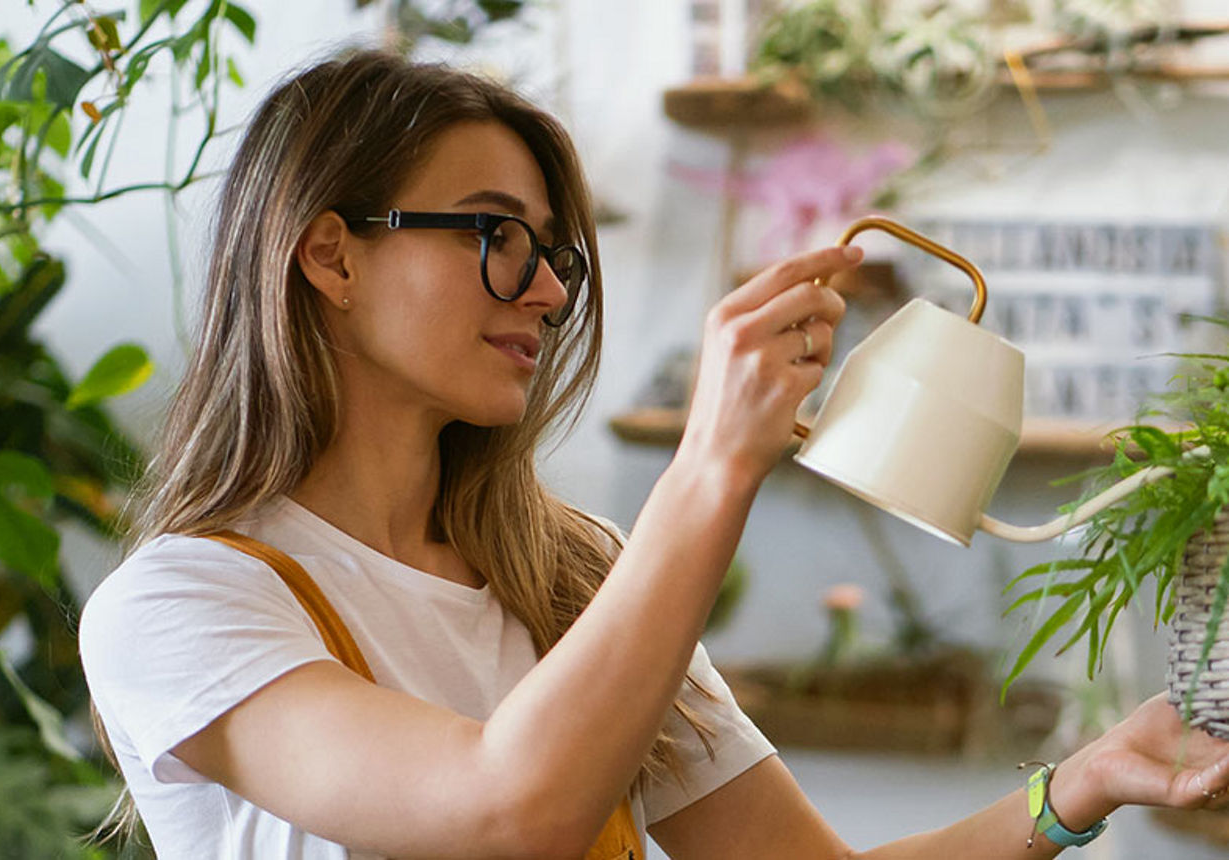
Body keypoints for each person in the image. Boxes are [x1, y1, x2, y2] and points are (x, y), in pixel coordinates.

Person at [79, 48, 1229, 860]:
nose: (543, 288)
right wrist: (713, 466)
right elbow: (507, 807)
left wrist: (1079, 786)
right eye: (497, 235)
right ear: (330, 256)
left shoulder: (576, 574)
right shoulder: (186, 604)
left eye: (555, 255)